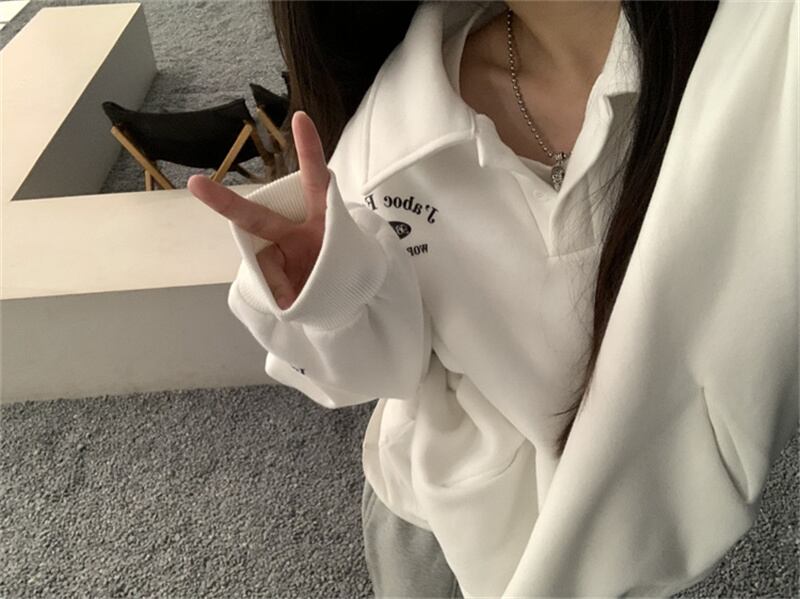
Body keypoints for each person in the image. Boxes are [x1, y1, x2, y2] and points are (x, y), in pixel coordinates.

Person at [188, 1, 798, 597]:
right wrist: (328, 288)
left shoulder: (755, 64)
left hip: (638, 515)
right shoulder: (392, 132)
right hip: (443, 525)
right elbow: (379, 370)